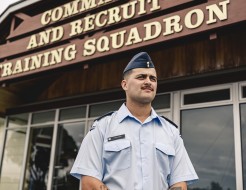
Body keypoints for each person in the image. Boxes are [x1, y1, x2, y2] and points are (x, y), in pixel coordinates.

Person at [70, 52, 198, 190]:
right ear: (124, 84)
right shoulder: (102, 128)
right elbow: (89, 182)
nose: (148, 82)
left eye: (153, 78)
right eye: (141, 77)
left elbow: (179, 182)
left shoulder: (171, 132)